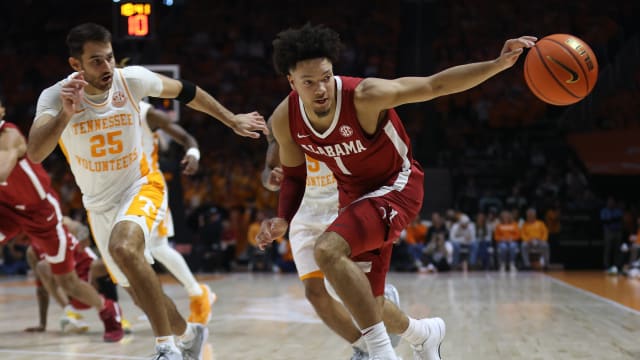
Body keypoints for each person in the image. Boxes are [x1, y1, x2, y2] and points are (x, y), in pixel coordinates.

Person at [256, 23, 535, 360]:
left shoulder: (364, 96)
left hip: (397, 186)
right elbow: (295, 176)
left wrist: (495, 65)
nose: (321, 89)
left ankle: (380, 354)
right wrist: (284, 218)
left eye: (326, 77)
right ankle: (425, 333)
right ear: (291, 82)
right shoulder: (285, 118)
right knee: (366, 302)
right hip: (355, 198)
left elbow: (434, 85)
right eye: (309, 82)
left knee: (326, 251)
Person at [27, 23, 267, 359]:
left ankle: (165, 348)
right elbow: (35, 152)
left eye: (109, 58)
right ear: (75, 65)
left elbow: (188, 91)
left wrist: (231, 120)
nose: (107, 67)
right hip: (98, 205)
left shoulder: (132, 80)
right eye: (96, 61)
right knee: (137, 291)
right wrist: (64, 116)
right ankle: (188, 334)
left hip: (141, 185)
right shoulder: (55, 97)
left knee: (125, 248)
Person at [261, 125, 401, 359]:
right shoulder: (283, 121)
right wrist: (271, 179)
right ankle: (364, 348)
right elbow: (267, 171)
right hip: (304, 212)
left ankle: (402, 322)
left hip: (342, 202)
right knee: (315, 293)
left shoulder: (340, 110)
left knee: (343, 290)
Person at [0, 115, 124, 342]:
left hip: (40, 212)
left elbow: (2, 172)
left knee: (67, 280)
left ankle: (107, 309)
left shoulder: (9, 136)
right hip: (6, 208)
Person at [139, 101, 216, 324]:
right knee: (155, 248)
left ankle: (188, 298)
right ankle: (196, 293)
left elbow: (176, 141)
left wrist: (192, 153)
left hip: (147, 187)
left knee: (149, 247)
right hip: (117, 190)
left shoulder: (144, 112)